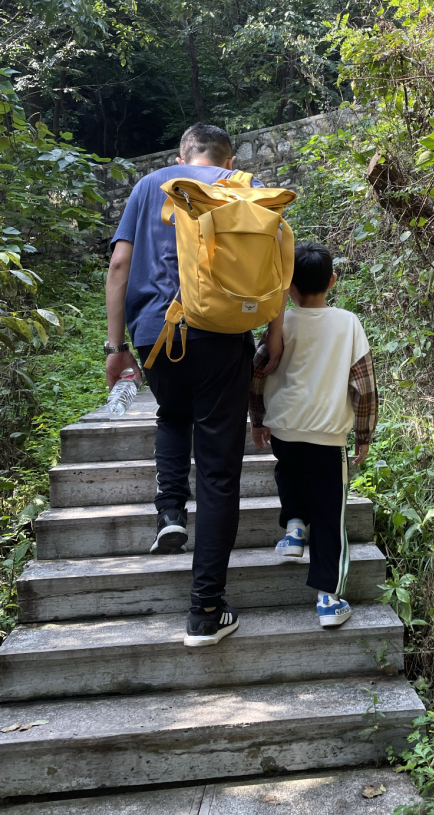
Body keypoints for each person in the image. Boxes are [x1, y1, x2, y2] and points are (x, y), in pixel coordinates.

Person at [105, 123, 287, 647]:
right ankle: (205, 610)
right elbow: (274, 267)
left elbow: (119, 264)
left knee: (171, 414)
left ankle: (168, 510)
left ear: (184, 152)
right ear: (227, 156)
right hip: (225, 335)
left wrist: (117, 350)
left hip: (154, 336)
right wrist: (273, 336)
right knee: (220, 472)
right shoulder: (245, 185)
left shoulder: (150, 185)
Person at [248, 241, 378, 627]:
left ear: (288, 287)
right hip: (327, 434)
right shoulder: (348, 323)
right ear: (333, 281)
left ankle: (293, 528)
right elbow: (365, 386)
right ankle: (328, 598)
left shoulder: (281, 322)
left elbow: (258, 370)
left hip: (285, 428)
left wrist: (258, 419)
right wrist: (364, 437)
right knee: (330, 512)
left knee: (289, 473)